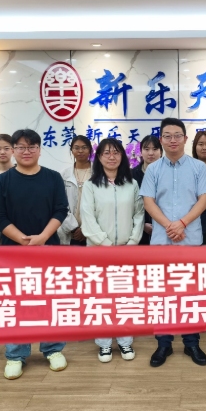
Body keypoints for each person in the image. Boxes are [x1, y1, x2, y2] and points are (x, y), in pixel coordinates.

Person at [0, 129, 69, 380]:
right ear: (13, 150)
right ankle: (15, 355)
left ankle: (53, 349)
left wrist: (42, 237)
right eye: (21, 147)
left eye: (32, 146)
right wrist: (23, 240)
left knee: (50, 302)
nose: (27, 151)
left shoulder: (53, 177)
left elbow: (61, 210)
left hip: (49, 249)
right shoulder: (2, 181)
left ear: (39, 150)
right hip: (13, 252)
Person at [140, 118, 206, 367]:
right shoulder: (153, 169)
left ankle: (192, 343)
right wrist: (169, 225)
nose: (173, 140)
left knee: (190, 294)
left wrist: (182, 223)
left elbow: (203, 199)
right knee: (162, 296)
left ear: (185, 139)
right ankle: (164, 344)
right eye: (168, 136)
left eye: (177, 135)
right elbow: (148, 201)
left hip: (190, 239)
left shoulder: (198, 167)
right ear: (161, 139)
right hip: (161, 240)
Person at [80, 138, 144, 363]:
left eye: (116, 152)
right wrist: (106, 245)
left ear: (123, 157)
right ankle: (104, 344)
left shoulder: (131, 184)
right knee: (102, 299)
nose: (111, 157)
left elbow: (139, 214)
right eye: (106, 153)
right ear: (98, 157)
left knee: (125, 298)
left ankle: (125, 341)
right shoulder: (91, 185)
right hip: (99, 252)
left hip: (127, 251)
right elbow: (87, 218)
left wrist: (132, 242)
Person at [58, 135, 92, 246]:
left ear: (90, 149)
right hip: (69, 231)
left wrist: (86, 228)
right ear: (71, 150)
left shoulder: (99, 174)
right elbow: (59, 203)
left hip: (93, 231)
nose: (80, 151)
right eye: (76, 148)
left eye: (84, 147)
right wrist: (73, 227)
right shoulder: (64, 174)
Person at [132, 135, 163, 245]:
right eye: (146, 149)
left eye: (155, 149)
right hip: (138, 232)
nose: (151, 153)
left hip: (165, 229)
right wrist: (142, 224)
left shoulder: (169, 174)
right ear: (140, 151)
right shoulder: (132, 175)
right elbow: (129, 204)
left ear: (161, 152)